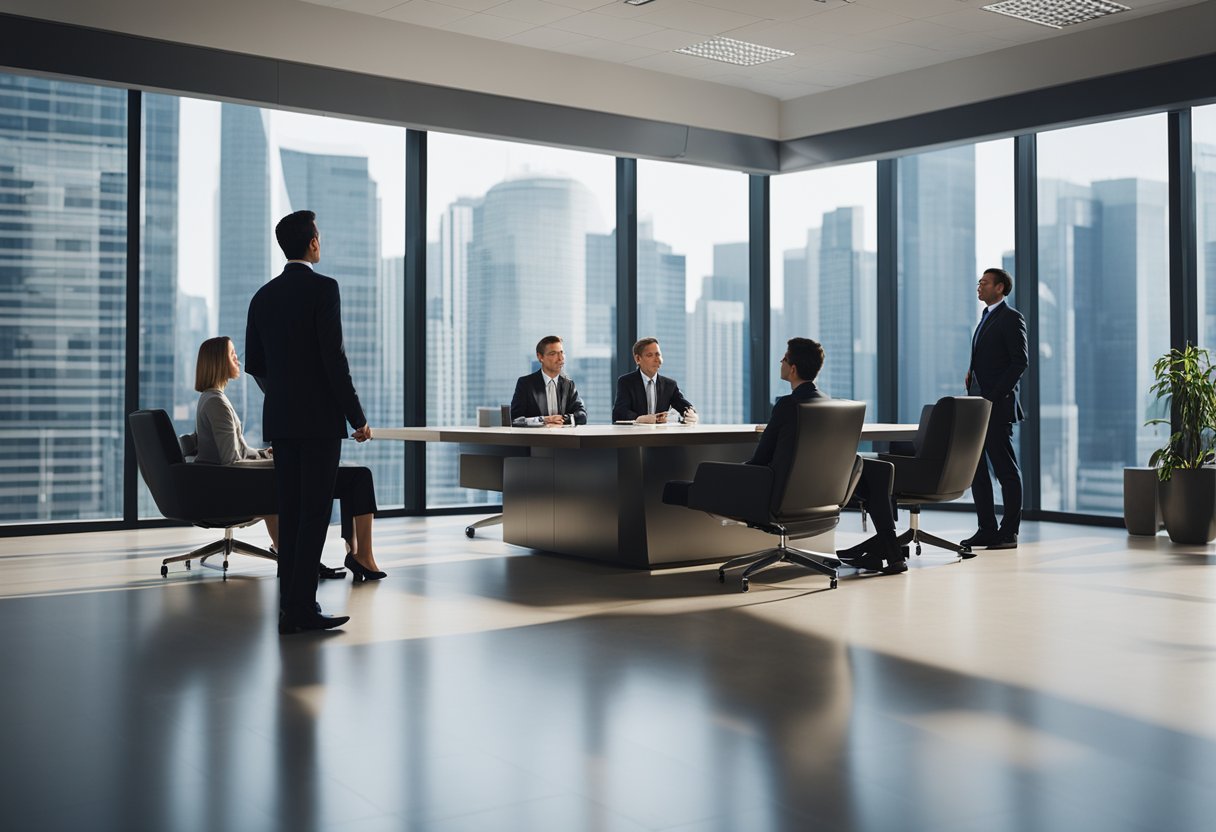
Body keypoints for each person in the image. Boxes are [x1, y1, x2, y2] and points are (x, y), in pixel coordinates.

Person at [245, 210, 372, 635]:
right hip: (319, 421)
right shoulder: (324, 288)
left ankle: (289, 605)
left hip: (280, 420)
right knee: (314, 513)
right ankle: (300, 610)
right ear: (313, 243)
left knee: (292, 509)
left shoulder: (262, 297)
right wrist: (356, 416)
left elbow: (257, 365)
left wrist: (282, 397)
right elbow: (333, 359)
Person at [192, 335, 384, 584]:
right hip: (233, 490)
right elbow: (231, 463)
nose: (237, 359)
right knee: (358, 478)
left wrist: (264, 455)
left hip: (228, 485)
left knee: (348, 478)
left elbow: (235, 453)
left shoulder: (211, 399)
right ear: (218, 362)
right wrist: (280, 463)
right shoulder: (216, 403)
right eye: (231, 355)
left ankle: (309, 557)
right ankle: (359, 556)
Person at [752, 337, 906, 575]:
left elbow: (759, 462)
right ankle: (890, 550)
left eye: (784, 357)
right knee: (877, 472)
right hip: (827, 493)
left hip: (788, 495)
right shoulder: (830, 404)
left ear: (792, 369)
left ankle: (884, 549)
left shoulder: (786, 406)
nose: (780, 361)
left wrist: (770, 432)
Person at [961, 267, 1028, 551]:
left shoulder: (1011, 318)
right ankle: (986, 529)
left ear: (1000, 288)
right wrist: (971, 374)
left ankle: (1008, 532)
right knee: (977, 470)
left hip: (996, 407)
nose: (979, 286)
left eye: (985, 283)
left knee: (1005, 471)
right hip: (978, 406)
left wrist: (991, 395)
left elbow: (1019, 362)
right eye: (979, 282)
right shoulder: (986, 317)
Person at [612, 337, 697, 424]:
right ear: (638, 359)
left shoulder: (670, 385)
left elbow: (683, 405)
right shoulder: (626, 382)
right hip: (634, 434)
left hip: (660, 435)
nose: (657, 359)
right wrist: (640, 419)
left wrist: (691, 412)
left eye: (658, 354)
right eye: (650, 355)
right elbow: (619, 413)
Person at [510, 335, 588, 427]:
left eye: (562, 352)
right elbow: (515, 419)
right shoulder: (525, 384)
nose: (560, 358)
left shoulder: (568, 384)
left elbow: (582, 416)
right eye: (553, 354)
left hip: (563, 440)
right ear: (540, 357)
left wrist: (563, 419)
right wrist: (544, 420)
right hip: (535, 439)